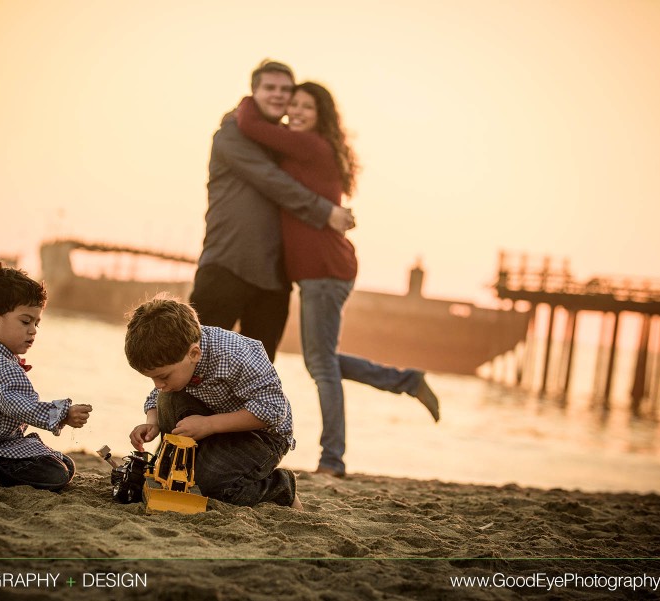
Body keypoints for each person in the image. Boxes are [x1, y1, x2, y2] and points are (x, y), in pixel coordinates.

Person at [235, 81, 440, 478]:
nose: (294, 111)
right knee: (323, 361)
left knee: (322, 366)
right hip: (322, 273)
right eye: (291, 105)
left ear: (321, 115)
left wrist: (252, 97)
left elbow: (251, 125)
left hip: (325, 272)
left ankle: (333, 459)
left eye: (304, 106)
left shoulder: (310, 146)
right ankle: (408, 381)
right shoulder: (309, 147)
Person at [191, 59, 355, 363]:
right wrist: (326, 211)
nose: (278, 95)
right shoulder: (231, 135)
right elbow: (271, 180)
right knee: (192, 368)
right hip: (227, 267)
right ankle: (168, 414)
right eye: (270, 88)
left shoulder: (285, 141)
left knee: (259, 378)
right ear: (254, 92)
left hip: (274, 281)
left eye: (285, 90)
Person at [125, 295, 302, 510]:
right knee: (169, 394)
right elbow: (159, 394)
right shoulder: (179, 358)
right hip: (213, 418)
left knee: (208, 484)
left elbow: (273, 410)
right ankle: (172, 467)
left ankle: (281, 487)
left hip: (262, 435)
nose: (158, 384)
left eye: (163, 376)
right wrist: (153, 421)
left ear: (194, 354)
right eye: (152, 378)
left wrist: (209, 425)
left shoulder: (234, 356)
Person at [0, 265, 92, 490]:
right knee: (56, 474)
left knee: (66, 465)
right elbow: (22, 408)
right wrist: (63, 414)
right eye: (26, 321)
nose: (33, 330)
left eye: (36, 323)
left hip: (2, 443)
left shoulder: (3, 358)